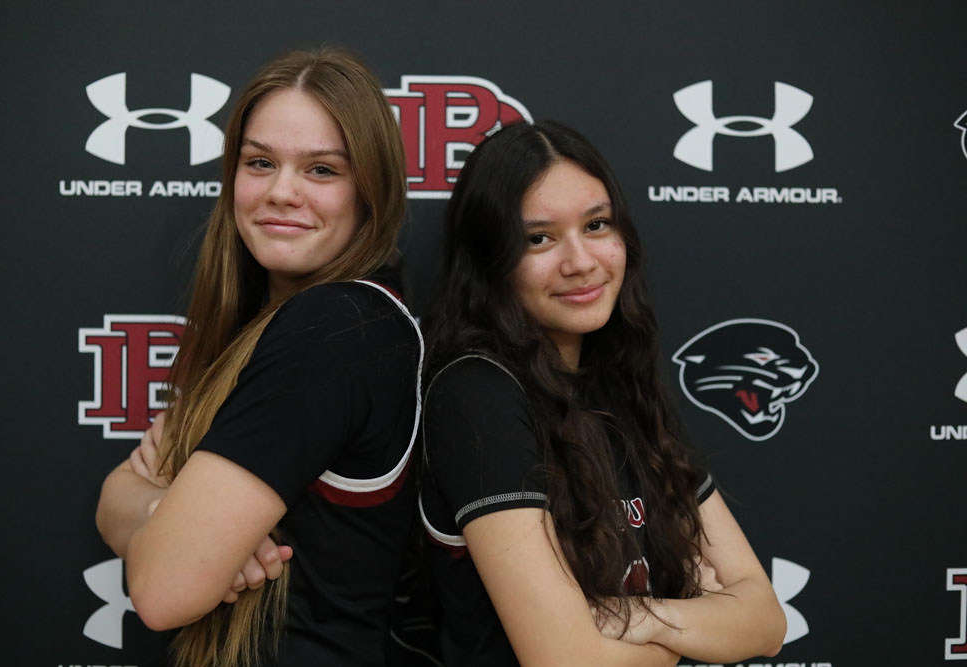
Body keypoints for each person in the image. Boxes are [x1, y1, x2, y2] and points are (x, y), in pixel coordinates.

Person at [95, 48, 423, 667]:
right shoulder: (269, 327)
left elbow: (163, 589)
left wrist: (172, 522)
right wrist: (170, 513)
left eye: (322, 170)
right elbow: (114, 494)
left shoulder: (335, 327)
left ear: (371, 189)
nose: (281, 192)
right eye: (260, 162)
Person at [418, 120, 787, 666]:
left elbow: (765, 621)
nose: (581, 262)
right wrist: (696, 622)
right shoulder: (479, 394)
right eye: (538, 238)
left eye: (596, 225)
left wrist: (632, 616)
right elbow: (565, 659)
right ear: (490, 262)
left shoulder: (620, 385)